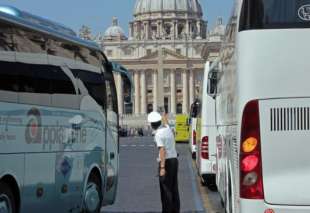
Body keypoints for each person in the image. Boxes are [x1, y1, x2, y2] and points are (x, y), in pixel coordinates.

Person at [147, 111, 180, 213]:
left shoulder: (158, 134)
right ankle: (175, 210)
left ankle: (167, 211)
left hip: (167, 162)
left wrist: (162, 167)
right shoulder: (167, 129)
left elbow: (162, 150)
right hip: (174, 160)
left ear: (152, 125)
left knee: (166, 190)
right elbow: (166, 123)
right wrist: (164, 116)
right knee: (174, 188)